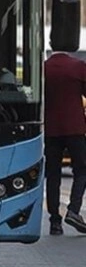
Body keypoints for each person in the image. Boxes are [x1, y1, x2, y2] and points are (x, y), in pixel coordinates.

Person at [44, 42, 86, 235]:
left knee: (53, 175)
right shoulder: (78, 66)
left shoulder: (44, 68)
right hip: (75, 128)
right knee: (82, 170)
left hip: (51, 129)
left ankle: (55, 221)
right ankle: (73, 210)